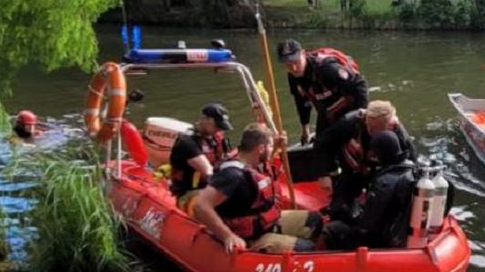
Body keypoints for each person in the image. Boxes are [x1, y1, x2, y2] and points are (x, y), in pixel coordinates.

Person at [193, 124, 322, 254]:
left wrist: (276, 144)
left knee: (314, 220)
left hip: (267, 223)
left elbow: (262, 169)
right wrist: (227, 236)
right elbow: (200, 206)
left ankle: (289, 239)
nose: (273, 149)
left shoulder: (252, 161)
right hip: (251, 237)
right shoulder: (232, 175)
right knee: (306, 248)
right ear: (260, 148)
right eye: (271, 146)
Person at [314, 100, 416, 220]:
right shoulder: (350, 122)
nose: (369, 131)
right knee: (338, 212)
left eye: (375, 129)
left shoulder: (397, 132)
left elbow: (411, 162)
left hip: (380, 176)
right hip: (352, 171)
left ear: (388, 125)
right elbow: (322, 143)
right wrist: (324, 174)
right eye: (368, 126)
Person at [322, 131, 418, 250]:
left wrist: (349, 211)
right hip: (398, 229)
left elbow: (367, 223)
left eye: (376, 154)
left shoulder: (384, 183)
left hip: (380, 239)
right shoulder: (412, 168)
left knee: (332, 229)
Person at [279, 39, 368, 145]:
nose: (293, 68)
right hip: (327, 109)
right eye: (288, 65)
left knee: (330, 140)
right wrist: (305, 128)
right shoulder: (293, 76)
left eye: (296, 62)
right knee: (319, 142)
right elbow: (301, 102)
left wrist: (362, 113)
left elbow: (359, 84)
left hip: (349, 105)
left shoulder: (326, 68)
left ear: (303, 54)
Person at [169, 103, 234, 211]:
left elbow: (228, 159)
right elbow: (208, 172)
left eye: (220, 127)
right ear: (204, 119)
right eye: (216, 125)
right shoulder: (187, 142)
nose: (218, 129)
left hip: (209, 187)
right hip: (189, 192)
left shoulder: (216, 138)